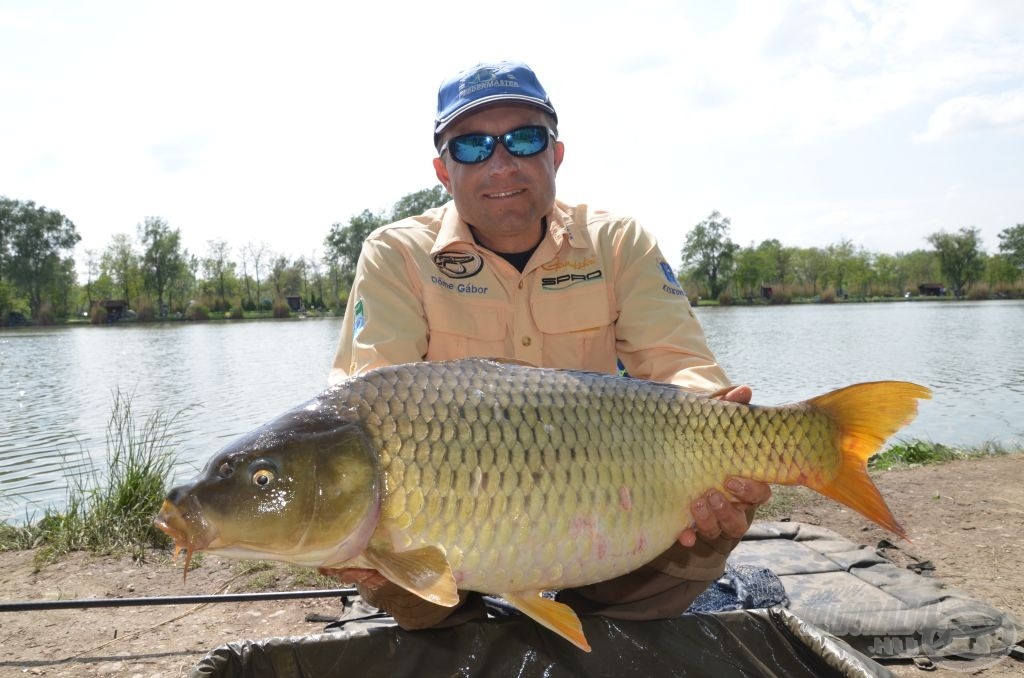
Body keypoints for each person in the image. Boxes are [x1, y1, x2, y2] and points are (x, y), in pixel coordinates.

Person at [327, 60, 771, 630]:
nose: (501, 163)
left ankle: (607, 613)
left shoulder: (617, 242)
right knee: (371, 544)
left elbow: (680, 366)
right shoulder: (396, 255)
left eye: (524, 138)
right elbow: (369, 402)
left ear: (555, 154)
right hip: (458, 519)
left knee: (718, 512)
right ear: (443, 170)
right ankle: (464, 619)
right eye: (472, 147)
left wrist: (727, 434)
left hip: (612, 506)